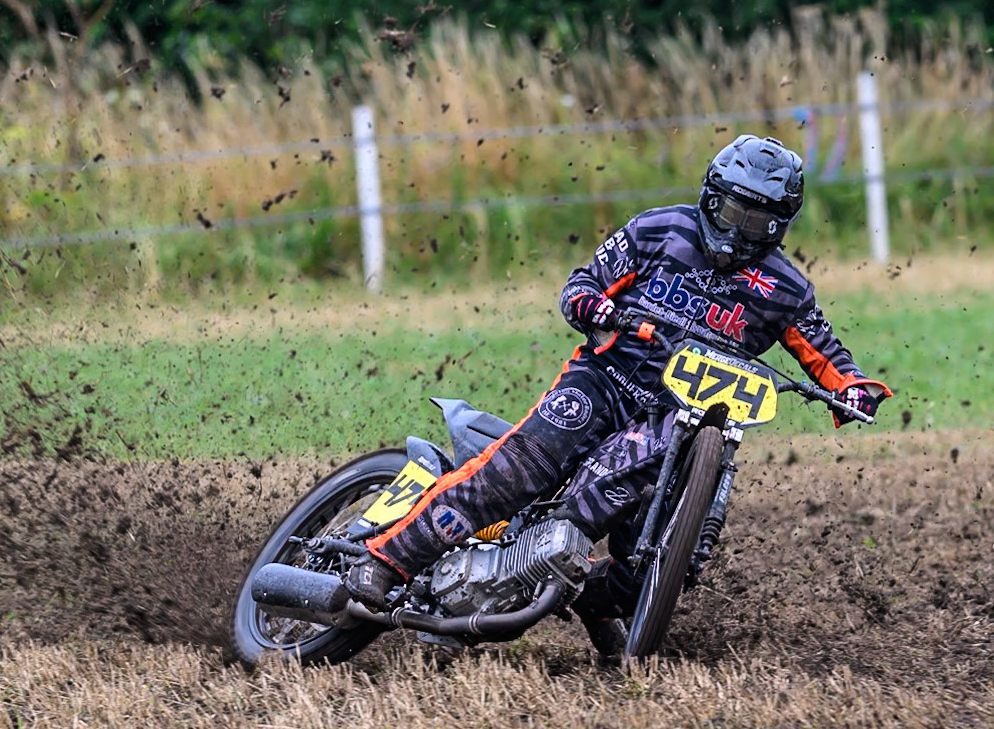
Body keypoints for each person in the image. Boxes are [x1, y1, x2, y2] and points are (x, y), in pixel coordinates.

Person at [344, 134, 892, 656]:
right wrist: (598, 308)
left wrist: (854, 389)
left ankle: (583, 597)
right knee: (515, 473)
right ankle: (386, 560)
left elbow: (826, 353)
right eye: (731, 212)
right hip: (602, 383)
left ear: (779, 226)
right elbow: (581, 285)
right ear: (710, 197)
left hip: (674, 422)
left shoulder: (788, 290)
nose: (739, 230)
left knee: (661, 559)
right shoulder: (660, 229)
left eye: (756, 221)